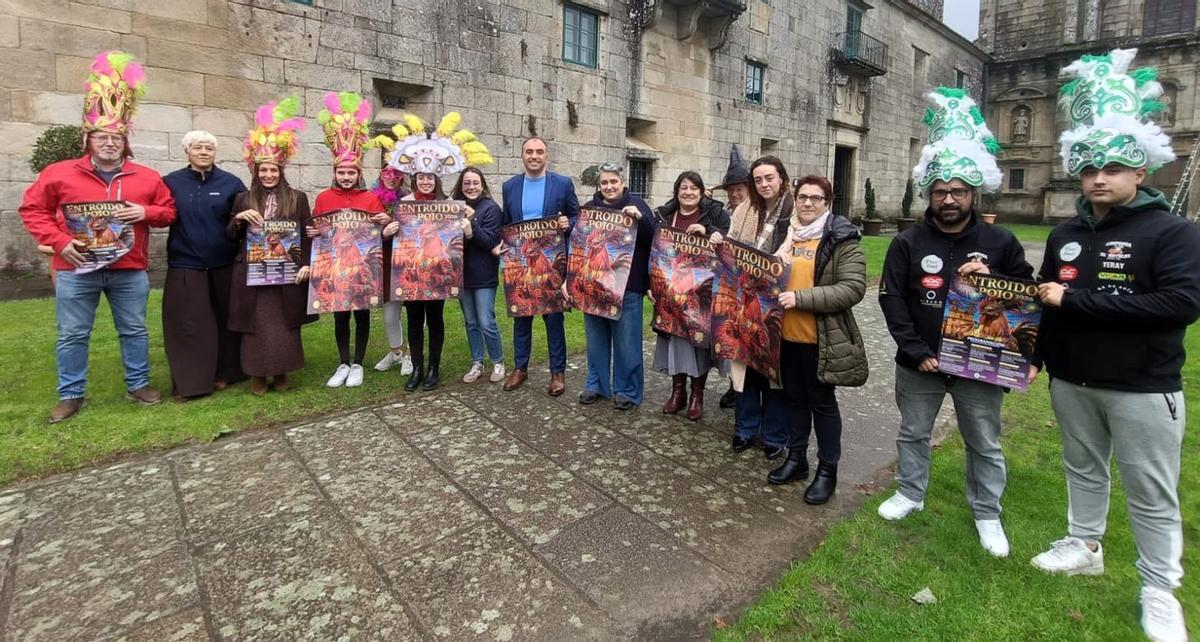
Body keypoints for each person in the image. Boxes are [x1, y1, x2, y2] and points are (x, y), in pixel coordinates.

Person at [1030, 49, 1197, 642]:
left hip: (1142, 385)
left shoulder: (1173, 232)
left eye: (1114, 167)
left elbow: (1179, 305)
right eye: (1090, 167)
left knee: (1150, 490)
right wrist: (1033, 354)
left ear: (1140, 171)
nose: (1099, 177)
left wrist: (1073, 302)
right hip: (1073, 379)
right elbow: (1044, 297)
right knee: (1083, 469)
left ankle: (1159, 589)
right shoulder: (1066, 233)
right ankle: (1084, 545)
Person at [877, 87, 1032, 558]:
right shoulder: (907, 242)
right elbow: (891, 299)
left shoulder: (1002, 242)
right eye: (941, 191)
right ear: (930, 192)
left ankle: (987, 513)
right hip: (920, 363)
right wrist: (915, 351)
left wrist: (994, 278)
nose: (948, 199)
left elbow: (1026, 299)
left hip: (979, 364)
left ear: (973, 193)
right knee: (912, 432)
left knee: (983, 442)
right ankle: (910, 492)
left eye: (958, 191)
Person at [18, 51, 176, 423]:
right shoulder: (58, 173)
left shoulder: (147, 177)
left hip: (128, 269)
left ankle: (138, 384)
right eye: (101, 137)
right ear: (87, 139)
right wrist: (60, 242)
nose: (109, 143)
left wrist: (145, 213)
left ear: (125, 141)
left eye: (115, 137)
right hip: (76, 268)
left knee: (134, 329)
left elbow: (169, 211)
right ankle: (71, 394)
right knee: (73, 333)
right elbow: (33, 209)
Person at [767, 175, 866, 504]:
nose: (807, 203)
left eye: (815, 198)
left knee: (822, 404)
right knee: (793, 400)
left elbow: (852, 288)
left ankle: (827, 470)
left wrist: (801, 298)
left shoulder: (841, 238)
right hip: (786, 335)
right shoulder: (787, 234)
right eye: (802, 197)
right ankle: (796, 459)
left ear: (827, 203)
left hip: (821, 338)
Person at [383, 112, 495, 391]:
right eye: (421, 177)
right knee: (414, 320)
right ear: (415, 179)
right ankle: (416, 368)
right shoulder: (403, 205)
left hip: (437, 271)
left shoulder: (448, 204)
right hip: (411, 271)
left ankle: (433, 368)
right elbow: (395, 240)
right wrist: (389, 231)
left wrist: (467, 218)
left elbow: (458, 234)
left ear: (436, 180)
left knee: (434, 320)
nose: (425, 182)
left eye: (430, 178)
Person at [226, 96, 314, 395]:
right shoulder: (242, 198)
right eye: (263, 170)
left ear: (281, 171)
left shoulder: (298, 198)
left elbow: (306, 233)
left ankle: (282, 371)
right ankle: (258, 374)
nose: (268, 175)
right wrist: (239, 219)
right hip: (252, 273)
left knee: (283, 322)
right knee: (256, 323)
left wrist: (306, 264)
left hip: (286, 270)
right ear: (256, 171)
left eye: (273, 170)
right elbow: (230, 235)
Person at [710, 156, 793, 459]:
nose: (764, 184)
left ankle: (774, 435)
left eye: (769, 178)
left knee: (772, 372)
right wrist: (719, 241)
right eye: (758, 180)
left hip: (776, 301)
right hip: (742, 299)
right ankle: (745, 429)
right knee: (743, 365)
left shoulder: (794, 211)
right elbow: (731, 244)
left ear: (781, 178)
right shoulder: (745, 209)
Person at [311, 92, 390, 389]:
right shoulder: (323, 198)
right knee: (340, 316)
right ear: (335, 173)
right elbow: (318, 230)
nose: (346, 177)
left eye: (351, 173)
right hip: (334, 268)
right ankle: (343, 362)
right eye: (341, 172)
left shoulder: (370, 199)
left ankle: (358, 363)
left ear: (358, 174)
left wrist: (384, 222)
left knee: (361, 314)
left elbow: (381, 232)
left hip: (361, 268)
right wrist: (312, 232)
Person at [162, 130, 247, 401]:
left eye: (209, 148)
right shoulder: (171, 182)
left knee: (226, 321)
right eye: (198, 147)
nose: (203, 152)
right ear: (187, 151)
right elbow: (162, 213)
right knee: (190, 324)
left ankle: (227, 372)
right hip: (186, 262)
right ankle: (193, 382)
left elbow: (242, 219)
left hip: (224, 261)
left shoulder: (231, 183)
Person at [499, 137, 580, 396]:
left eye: (539, 152)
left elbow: (577, 216)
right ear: (522, 155)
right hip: (521, 260)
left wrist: (569, 223)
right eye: (529, 152)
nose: (534, 156)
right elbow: (507, 224)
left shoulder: (563, 183)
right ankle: (520, 368)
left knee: (553, 318)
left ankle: (557, 372)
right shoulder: (510, 186)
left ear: (546, 156)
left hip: (550, 263)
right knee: (521, 316)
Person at [577, 163, 656, 410]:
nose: (609, 186)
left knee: (627, 342)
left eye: (614, 181)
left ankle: (627, 390)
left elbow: (655, 238)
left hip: (628, 287)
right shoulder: (589, 209)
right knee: (596, 340)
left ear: (622, 182)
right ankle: (596, 384)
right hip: (593, 286)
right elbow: (578, 243)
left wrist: (641, 219)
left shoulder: (637, 204)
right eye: (604, 182)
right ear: (599, 185)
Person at [652, 171, 730, 420]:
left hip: (702, 295)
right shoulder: (664, 215)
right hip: (672, 293)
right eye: (683, 188)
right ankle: (678, 392)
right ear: (677, 191)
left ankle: (697, 394)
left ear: (701, 191)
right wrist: (651, 285)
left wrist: (708, 231)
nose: (688, 192)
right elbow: (654, 253)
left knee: (699, 344)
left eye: (693, 188)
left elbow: (729, 246)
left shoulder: (715, 214)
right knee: (675, 340)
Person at [453, 167, 506, 384]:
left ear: (482, 185)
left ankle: (498, 361)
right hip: (461, 274)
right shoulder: (454, 207)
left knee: (486, 321)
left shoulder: (491, 208)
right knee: (471, 322)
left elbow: (492, 242)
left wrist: (471, 226)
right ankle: (477, 363)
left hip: (484, 274)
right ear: (461, 185)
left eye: (475, 183)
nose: (471, 187)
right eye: (467, 183)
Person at [713, 145, 751, 410]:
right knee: (730, 337)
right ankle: (734, 387)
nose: (735, 194)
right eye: (731, 190)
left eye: (740, 189)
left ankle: (747, 391)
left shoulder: (757, 213)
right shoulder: (724, 213)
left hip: (750, 284)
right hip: (729, 283)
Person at [370, 165, 414, 377]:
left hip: (409, 262)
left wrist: (393, 222)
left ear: (402, 176)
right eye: (387, 172)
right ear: (380, 174)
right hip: (386, 262)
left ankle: (411, 354)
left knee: (415, 312)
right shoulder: (371, 198)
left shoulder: (410, 199)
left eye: (396, 173)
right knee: (389, 315)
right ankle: (395, 352)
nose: (391, 177)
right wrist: (383, 232)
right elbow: (363, 233)